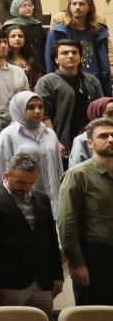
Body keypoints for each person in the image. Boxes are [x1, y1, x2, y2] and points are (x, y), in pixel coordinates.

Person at [0, 152, 62, 312]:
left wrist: (58, 276)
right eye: (21, 182)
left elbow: (51, 240)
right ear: (6, 176)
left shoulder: (42, 199)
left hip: (43, 280)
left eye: (31, 183)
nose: (26, 188)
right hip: (9, 282)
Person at [57, 116, 113, 304]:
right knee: (93, 315)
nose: (110, 139)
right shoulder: (78, 175)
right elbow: (67, 224)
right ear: (90, 143)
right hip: (94, 257)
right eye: (103, 136)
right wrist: (77, 264)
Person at [0, 91, 64, 202]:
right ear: (19, 109)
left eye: (40, 107)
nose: (37, 111)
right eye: (31, 107)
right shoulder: (8, 135)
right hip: (23, 200)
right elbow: (3, 170)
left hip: (53, 199)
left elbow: (58, 169)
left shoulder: (49, 133)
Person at [36, 40, 104, 145]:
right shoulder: (47, 82)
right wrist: (53, 141)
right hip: (63, 141)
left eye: (74, 52)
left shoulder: (91, 80)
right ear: (56, 59)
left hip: (91, 140)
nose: (71, 56)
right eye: (65, 53)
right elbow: (44, 115)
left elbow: (102, 109)